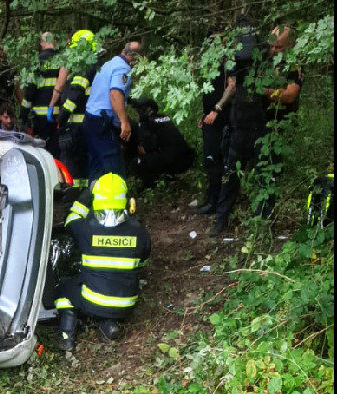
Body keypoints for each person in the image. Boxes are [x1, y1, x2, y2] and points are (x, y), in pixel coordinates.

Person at [211, 21, 301, 235]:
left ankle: (261, 226)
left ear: (290, 46)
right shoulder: (256, 59)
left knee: (266, 176)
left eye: (278, 47)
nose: (272, 51)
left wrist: (262, 89)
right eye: (270, 46)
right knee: (229, 173)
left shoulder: (292, 64)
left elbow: (289, 95)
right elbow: (233, 86)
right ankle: (221, 218)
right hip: (244, 125)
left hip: (272, 129)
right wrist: (219, 106)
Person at [55, 173, 151, 351]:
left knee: (64, 288)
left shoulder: (86, 229)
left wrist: (85, 195)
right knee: (109, 287)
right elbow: (142, 263)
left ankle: (66, 336)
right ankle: (108, 325)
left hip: (94, 301)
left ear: (97, 199)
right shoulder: (139, 232)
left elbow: (71, 219)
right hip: (126, 304)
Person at [83, 42, 142, 180]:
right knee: (114, 167)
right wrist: (124, 121)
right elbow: (115, 93)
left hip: (90, 118)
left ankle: (93, 199)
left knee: (96, 165)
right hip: (102, 121)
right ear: (135, 57)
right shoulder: (123, 68)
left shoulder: (109, 64)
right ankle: (116, 200)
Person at [58, 30, 102, 189]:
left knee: (73, 166)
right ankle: (83, 198)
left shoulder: (85, 66)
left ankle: (73, 200)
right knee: (84, 167)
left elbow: (75, 93)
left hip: (78, 126)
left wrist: (62, 117)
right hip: (88, 125)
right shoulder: (95, 65)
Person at [194, 32, 231, 215]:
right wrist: (204, 115)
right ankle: (211, 200)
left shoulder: (228, 64)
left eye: (216, 41)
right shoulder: (208, 65)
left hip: (222, 118)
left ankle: (217, 202)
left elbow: (230, 89)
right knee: (210, 160)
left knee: (219, 160)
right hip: (208, 119)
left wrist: (217, 110)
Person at [129, 97, 195, 188]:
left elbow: (147, 148)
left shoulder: (147, 123)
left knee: (137, 163)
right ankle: (168, 177)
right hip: (186, 158)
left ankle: (153, 184)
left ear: (148, 109)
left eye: (141, 109)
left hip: (173, 161)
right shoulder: (164, 117)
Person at [20, 32, 63, 157]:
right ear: (54, 42)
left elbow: (29, 92)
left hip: (40, 118)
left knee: (43, 152)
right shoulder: (63, 62)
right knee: (57, 151)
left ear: (41, 44)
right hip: (58, 116)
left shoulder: (36, 63)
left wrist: (23, 115)